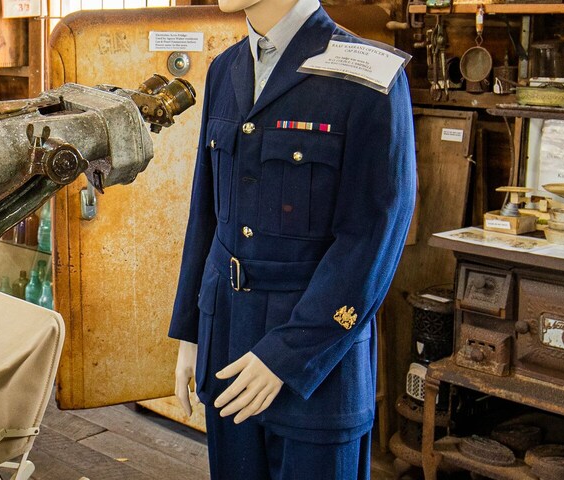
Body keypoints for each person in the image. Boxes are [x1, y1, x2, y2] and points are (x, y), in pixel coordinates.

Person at [166, 0, 417, 477]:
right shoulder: (225, 69)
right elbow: (207, 213)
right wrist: (192, 332)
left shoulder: (368, 76)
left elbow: (372, 237)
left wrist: (289, 354)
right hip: (229, 344)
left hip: (317, 364)